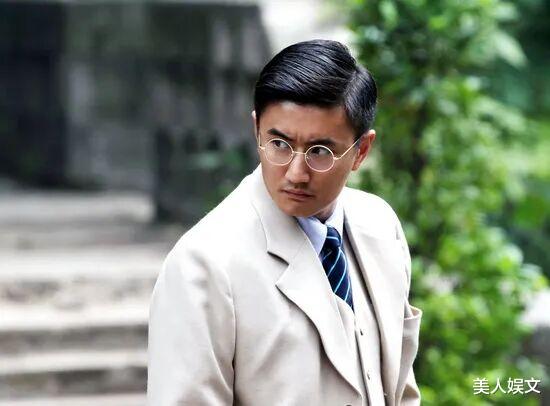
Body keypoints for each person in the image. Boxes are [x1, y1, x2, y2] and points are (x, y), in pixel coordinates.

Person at [147, 39, 422, 406]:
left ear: (361, 151)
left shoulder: (380, 226)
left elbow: (401, 390)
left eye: (320, 152)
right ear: (256, 129)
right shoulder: (204, 264)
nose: (295, 173)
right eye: (279, 144)